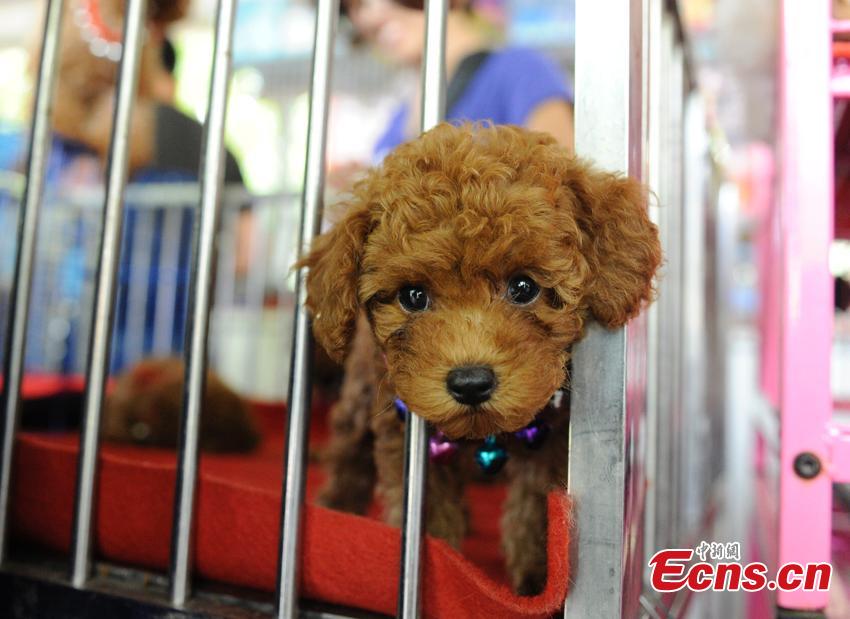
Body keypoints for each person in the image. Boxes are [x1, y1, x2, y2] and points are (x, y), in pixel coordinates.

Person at [344, 0, 574, 159]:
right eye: (358, 4)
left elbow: (559, 187)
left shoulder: (520, 71)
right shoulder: (398, 114)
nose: (369, 15)